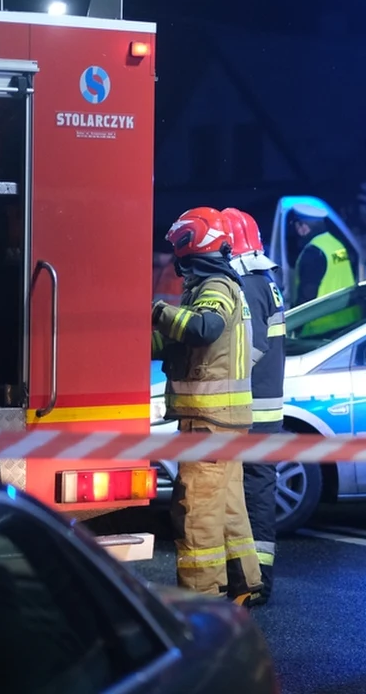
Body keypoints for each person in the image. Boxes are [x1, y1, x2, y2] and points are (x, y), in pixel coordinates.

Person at [153, 207, 263, 605]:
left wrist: (156, 312)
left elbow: (203, 329)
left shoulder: (214, 285)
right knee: (228, 507)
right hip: (224, 422)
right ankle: (242, 585)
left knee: (196, 510)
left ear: (189, 244)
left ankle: (201, 600)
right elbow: (187, 341)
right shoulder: (224, 283)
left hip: (208, 421)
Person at [223, 207, 287, 604]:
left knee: (251, 491)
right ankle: (256, 574)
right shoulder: (266, 279)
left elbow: (253, 347)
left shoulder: (246, 283)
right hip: (267, 405)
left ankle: (255, 578)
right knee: (258, 488)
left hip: (251, 407)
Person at [288, 203, 356, 307]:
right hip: (349, 314)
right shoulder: (336, 244)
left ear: (304, 227)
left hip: (323, 320)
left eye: (296, 225)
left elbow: (307, 297)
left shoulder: (313, 252)